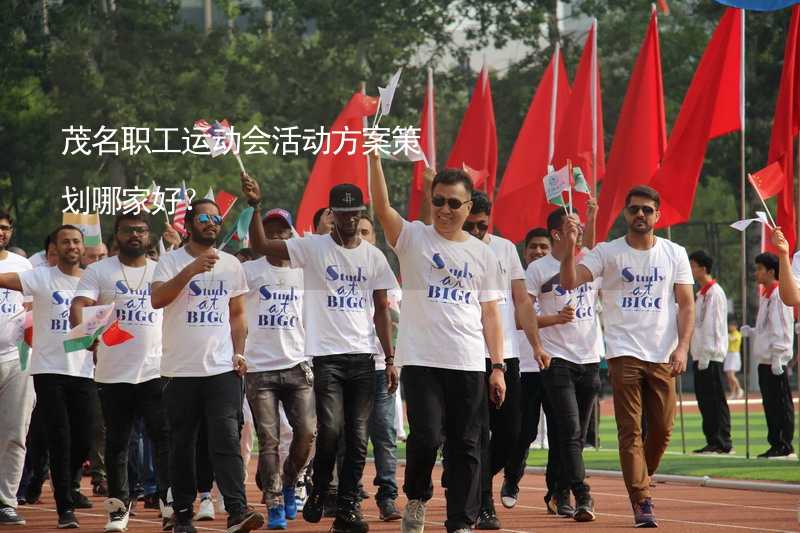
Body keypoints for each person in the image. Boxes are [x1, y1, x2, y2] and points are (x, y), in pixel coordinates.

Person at [242, 175, 396, 533]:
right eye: (341, 213)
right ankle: (318, 487)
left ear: (361, 212)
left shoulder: (374, 256)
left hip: (363, 357)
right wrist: (255, 206)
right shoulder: (311, 248)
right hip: (325, 358)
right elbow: (262, 244)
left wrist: (389, 359)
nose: (348, 219)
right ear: (332, 214)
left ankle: (347, 509)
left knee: (358, 438)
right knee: (330, 431)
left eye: (354, 212)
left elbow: (382, 308)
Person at [369, 153, 506, 533]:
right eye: (438, 201)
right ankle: (416, 496)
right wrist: (374, 157)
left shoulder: (483, 255)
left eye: (454, 203)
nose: (445, 210)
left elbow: (491, 315)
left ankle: (460, 520)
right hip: (421, 359)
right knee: (426, 437)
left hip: (466, 360)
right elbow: (381, 207)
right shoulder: (413, 237)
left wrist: (497, 367)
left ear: (469, 206)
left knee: (466, 444)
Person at [559, 185, 694, 528]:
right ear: (625, 213)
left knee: (662, 430)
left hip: (662, 353)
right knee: (630, 430)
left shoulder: (675, 253)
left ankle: (641, 482)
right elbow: (570, 280)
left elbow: (687, 304)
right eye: (634, 209)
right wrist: (570, 246)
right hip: (623, 352)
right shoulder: (608, 252)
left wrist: (682, 347)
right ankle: (642, 500)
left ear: (657, 216)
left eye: (647, 210)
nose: (640, 215)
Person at [151, 198, 264, 533]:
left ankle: (237, 510)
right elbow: (157, 299)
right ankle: (182, 513)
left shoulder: (231, 264)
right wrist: (192, 269)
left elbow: (238, 313)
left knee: (226, 439)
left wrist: (239, 352)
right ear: (190, 223)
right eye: (204, 217)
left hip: (222, 370)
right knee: (182, 443)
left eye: (216, 218)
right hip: (179, 371)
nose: (212, 223)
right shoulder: (170, 262)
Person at [70, 212, 171, 532]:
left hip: (157, 369)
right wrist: (86, 335)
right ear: (117, 235)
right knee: (117, 442)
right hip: (114, 372)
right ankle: (118, 508)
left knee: (163, 439)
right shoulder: (98, 271)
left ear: (149, 236)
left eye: (141, 230)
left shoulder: (161, 270)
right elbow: (79, 306)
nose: (135, 236)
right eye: (128, 231)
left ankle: (170, 504)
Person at [459, 192, 548, 530]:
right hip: (466, 354)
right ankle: (484, 504)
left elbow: (522, 300)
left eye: (483, 226)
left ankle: (468, 474)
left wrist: (536, 343)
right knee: (478, 433)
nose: (477, 231)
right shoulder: (449, 247)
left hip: (505, 355)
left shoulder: (505, 249)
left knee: (512, 434)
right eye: (472, 226)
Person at [0, 225, 97, 529]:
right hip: (48, 368)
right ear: (54, 248)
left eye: (76, 241)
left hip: (83, 370)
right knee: (60, 436)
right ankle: (64, 508)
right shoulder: (39, 277)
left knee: (85, 437)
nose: (72, 246)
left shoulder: (93, 280)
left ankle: (66, 486)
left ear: (83, 247)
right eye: (65, 241)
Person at [525, 208, 603, 522]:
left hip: (590, 358)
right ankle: (582, 493)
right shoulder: (538, 269)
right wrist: (539, 342)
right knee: (569, 430)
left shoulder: (591, 263)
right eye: (571, 228)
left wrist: (593, 215)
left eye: (580, 228)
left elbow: (595, 246)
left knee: (572, 434)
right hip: (557, 358)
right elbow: (524, 315)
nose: (578, 232)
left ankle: (558, 492)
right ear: (557, 233)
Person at [241, 208, 315, 529]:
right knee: (268, 440)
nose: (277, 236)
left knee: (307, 434)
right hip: (260, 368)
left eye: (283, 231)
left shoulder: (303, 272)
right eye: (269, 231)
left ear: (291, 235)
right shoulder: (249, 272)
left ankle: (288, 481)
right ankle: (273, 501)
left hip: (298, 364)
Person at [502, 227, 553, 511]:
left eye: (544, 247)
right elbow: (520, 319)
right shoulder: (517, 283)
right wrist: (554, 319)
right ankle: (512, 477)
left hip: (557, 363)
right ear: (525, 251)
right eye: (533, 247)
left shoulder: (561, 279)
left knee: (562, 433)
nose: (538, 252)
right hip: (525, 366)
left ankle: (557, 491)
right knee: (525, 431)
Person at [356, 213, 403, 521]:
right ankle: (350, 492)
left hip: (379, 366)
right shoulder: (337, 275)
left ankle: (387, 496)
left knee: (384, 434)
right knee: (352, 435)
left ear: (374, 238)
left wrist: (391, 360)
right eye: (357, 230)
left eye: (367, 232)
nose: (361, 236)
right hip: (351, 365)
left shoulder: (386, 277)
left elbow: (396, 320)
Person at [0, 212, 35, 526]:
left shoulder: (23, 267)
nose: (0, 233)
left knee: (14, 433)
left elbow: (34, 309)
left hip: (16, 359)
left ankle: (6, 500)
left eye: (4, 228)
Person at [688, 250, 732, 455]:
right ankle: (712, 438)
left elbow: (713, 327)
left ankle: (722, 440)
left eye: (693, 265)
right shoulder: (701, 294)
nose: (690, 270)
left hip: (710, 355)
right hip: (700, 354)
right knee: (705, 399)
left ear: (702, 268)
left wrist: (707, 352)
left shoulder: (715, 293)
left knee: (715, 398)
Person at [751, 251, 795, 458]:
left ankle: (785, 444)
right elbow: (766, 327)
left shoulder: (778, 294)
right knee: (770, 403)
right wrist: (753, 332)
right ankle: (775, 442)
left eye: (760, 269)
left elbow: (782, 326)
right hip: (764, 358)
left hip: (775, 358)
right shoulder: (766, 295)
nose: (756, 273)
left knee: (781, 402)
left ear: (770, 271)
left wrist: (779, 354)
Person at [725, 321, 744, 399]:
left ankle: (739, 389)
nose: (730, 327)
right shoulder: (730, 334)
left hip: (734, 355)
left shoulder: (738, 334)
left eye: (731, 326)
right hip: (728, 355)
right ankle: (733, 392)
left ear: (735, 326)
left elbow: (732, 339)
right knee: (728, 376)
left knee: (731, 375)